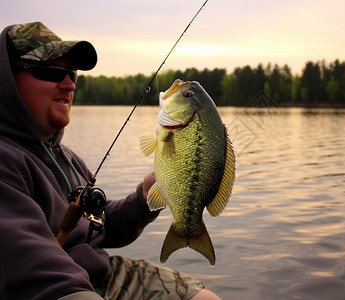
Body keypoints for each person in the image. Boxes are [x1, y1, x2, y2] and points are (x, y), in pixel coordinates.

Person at [0, 21, 221, 300]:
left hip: (100, 275)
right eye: (50, 71)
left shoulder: (67, 159)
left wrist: (143, 198)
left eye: (71, 73)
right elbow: (28, 266)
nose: (68, 84)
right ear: (6, 79)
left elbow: (99, 228)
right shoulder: (6, 161)